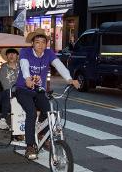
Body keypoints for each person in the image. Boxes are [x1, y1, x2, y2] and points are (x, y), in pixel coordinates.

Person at [15, 28, 80, 160]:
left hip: (39, 90)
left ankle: (42, 136)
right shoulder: (25, 52)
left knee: (48, 110)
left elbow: (59, 65)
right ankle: (30, 145)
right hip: (23, 89)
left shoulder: (49, 53)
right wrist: (27, 78)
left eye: (43, 42)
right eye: (37, 42)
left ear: (46, 44)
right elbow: (24, 65)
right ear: (32, 43)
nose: (40, 45)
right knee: (31, 112)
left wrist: (69, 79)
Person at [0, 48, 20, 129]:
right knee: (8, 92)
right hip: (6, 93)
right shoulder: (3, 68)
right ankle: (3, 119)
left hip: (20, 92)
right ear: (6, 56)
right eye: (9, 53)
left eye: (13, 53)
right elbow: (5, 85)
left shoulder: (21, 67)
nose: (11, 55)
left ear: (17, 56)